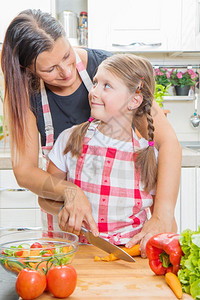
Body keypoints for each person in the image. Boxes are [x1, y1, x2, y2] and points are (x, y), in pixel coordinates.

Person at [1, 9, 181, 256]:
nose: (66, 72)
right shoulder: (24, 96)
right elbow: (25, 171)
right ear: (27, 70)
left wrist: (162, 215)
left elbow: (167, 142)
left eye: (67, 56)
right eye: (50, 69)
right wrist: (69, 191)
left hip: (132, 243)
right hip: (71, 242)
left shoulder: (108, 69)